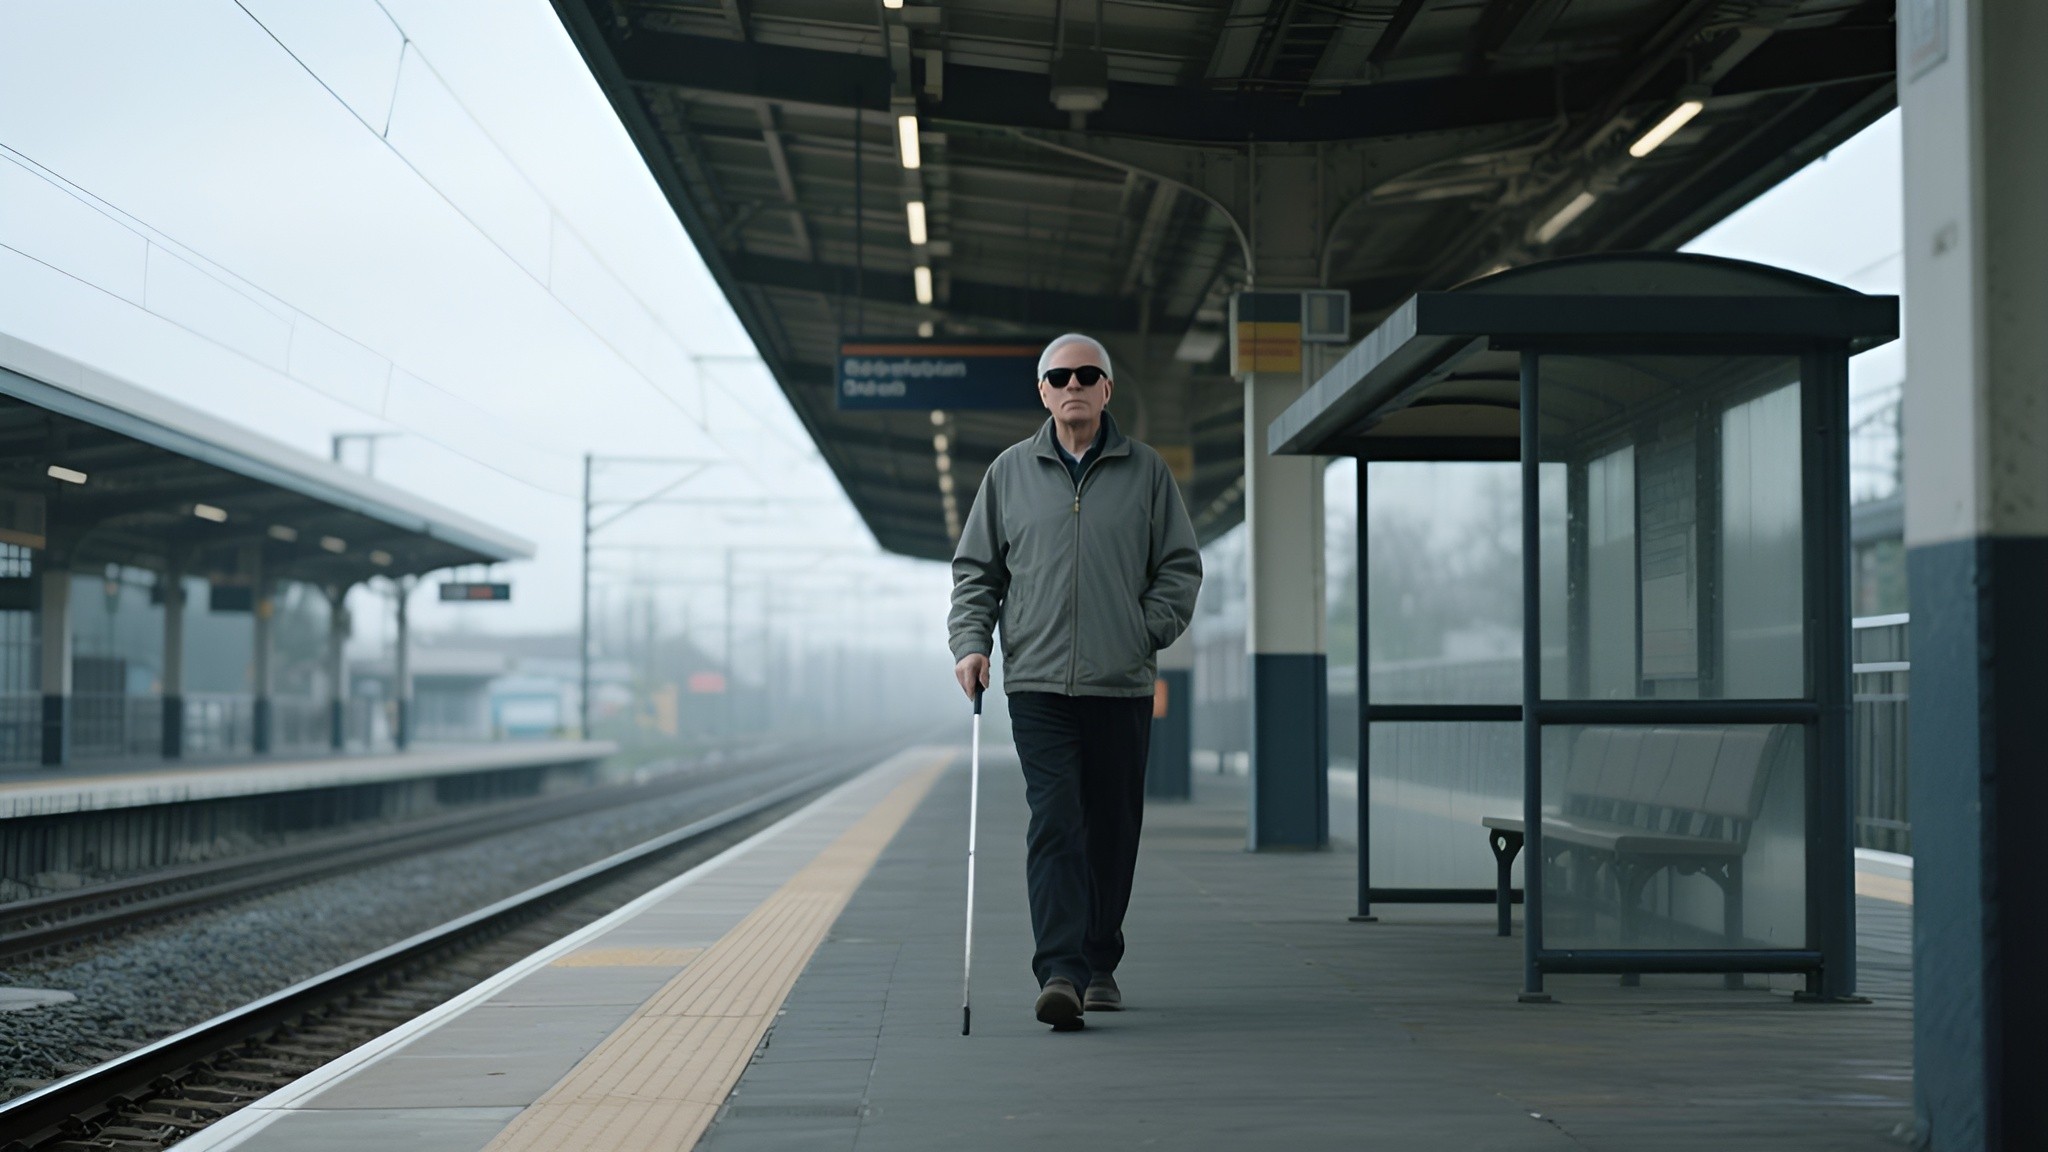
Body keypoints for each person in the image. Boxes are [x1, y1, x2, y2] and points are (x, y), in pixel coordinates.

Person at [948, 332, 1203, 1031]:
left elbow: (1180, 568)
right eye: (1059, 376)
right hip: (1036, 685)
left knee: (1113, 828)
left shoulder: (1148, 473)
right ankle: (1060, 970)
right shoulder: (1009, 473)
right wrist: (971, 645)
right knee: (1056, 821)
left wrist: (1141, 629)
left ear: (1107, 389)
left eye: (1088, 375)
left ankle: (1100, 959)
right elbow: (977, 573)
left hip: (1120, 685)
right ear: (1042, 391)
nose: (1073, 386)